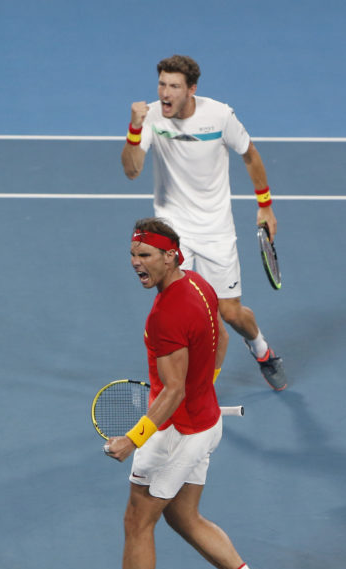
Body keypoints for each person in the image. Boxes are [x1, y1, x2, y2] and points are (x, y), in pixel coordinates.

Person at [80, 218, 288, 569]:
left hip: (176, 434)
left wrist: (133, 439)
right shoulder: (198, 285)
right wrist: (204, 385)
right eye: (133, 255)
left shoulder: (165, 316)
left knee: (137, 521)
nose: (136, 263)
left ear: (170, 255)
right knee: (183, 517)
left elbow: (172, 391)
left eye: (145, 255)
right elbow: (220, 339)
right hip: (205, 422)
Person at [122, 54, 287, 391]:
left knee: (230, 313)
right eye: (162, 84)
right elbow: (131, 170)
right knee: (177, 311)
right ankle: (187, 386)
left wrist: (266, 206)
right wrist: (134, 130)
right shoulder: (151, 116)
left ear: (191, 89)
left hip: (215, 230)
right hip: (171, 231)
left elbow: (250, 155)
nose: (165, 93)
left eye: (174, 86)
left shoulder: (220, 116)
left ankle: (262, 350)